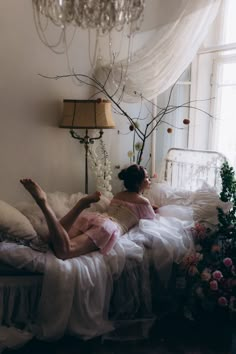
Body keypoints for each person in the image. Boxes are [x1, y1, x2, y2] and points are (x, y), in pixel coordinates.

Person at [20, 164, 156, 260]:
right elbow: (151, 217)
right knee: (65, 251)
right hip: (108, 227)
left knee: (52, 240)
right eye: (147, 177)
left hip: (95, 218)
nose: (149, 180)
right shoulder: (144, 202)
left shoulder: (118, 195)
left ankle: (80, 206)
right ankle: (44, 204)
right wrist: (153, 207)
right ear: (139, 183)